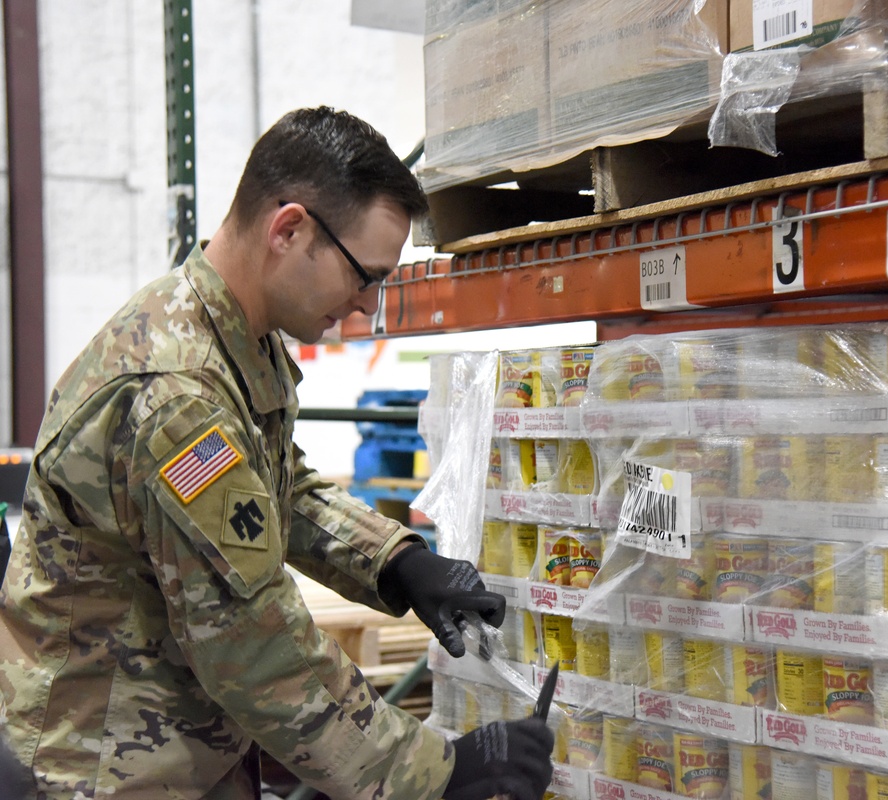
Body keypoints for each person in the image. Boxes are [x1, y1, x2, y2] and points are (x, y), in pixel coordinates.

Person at [0, 107, 554, 800]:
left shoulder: (236, 336)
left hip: (178, 742)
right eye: (364, 276)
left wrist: (398, 561)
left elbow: (274, 490)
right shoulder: (178, 397)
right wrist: (437, 771)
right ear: (289, 230)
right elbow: (254, 646)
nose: (365, 306)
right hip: (105, 768)